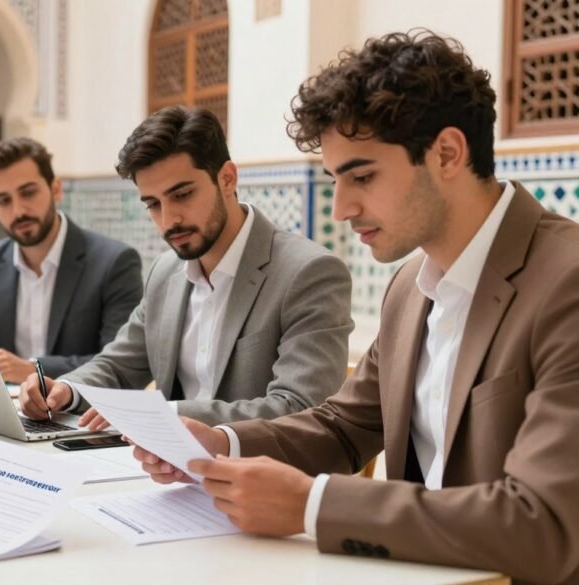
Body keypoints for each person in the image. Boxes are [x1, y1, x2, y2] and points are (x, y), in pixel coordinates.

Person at [134, 32, 579, 584]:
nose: (341, 209)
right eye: (335, 181)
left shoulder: (567, 283)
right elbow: (344, 427)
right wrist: (220, 442)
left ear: (446, 153)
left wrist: (313, 507)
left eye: (362, 177)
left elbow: (545, 525)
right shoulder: (411, 284)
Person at [20, 106, 353, 427]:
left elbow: (301, 409)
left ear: (227, 178)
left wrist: (164, 415)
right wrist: (67, 389)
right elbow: (119, 366)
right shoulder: (165, 273)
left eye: (182, 195)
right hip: (165, 471)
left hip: (259, 476)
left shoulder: (309, 273)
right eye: (153, 204)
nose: (169, 220)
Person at [0, 137, 144, 382]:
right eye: (4, 200)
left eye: (28, 193)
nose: (18, 211)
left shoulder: (114, 262)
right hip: (0, 413)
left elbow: (123, 365)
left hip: (79, 414)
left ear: (55, 189)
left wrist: (33, 369)